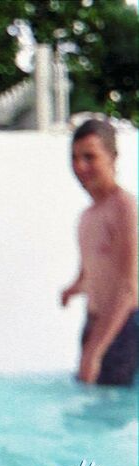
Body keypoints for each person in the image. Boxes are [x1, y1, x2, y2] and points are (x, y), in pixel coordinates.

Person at [60, 118, 138, 386]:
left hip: (125, 327)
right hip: (95, 326)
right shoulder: (87, 216)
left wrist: (95, 351)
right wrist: (74, 287)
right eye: (75, 158)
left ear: (113, 158)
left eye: (90, 157)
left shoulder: (125, 208)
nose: (80, 166)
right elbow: (93, 271)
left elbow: (129, 287)